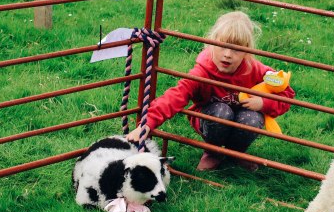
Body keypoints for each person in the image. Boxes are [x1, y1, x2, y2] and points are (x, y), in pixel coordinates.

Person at [126, 11, 295, 171]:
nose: (227, 54)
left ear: (247, 51)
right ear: (212, 42)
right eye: (222, 46)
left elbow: (286, 93)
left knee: (253, 118)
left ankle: (236, 152)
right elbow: (175, 96)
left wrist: (263, 103)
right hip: (211, 118)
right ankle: (213, 151)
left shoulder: (256, 70)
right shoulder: (202, 71)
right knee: (221, 111)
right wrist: (146, 124)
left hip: (241, 119)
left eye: (236, 49)